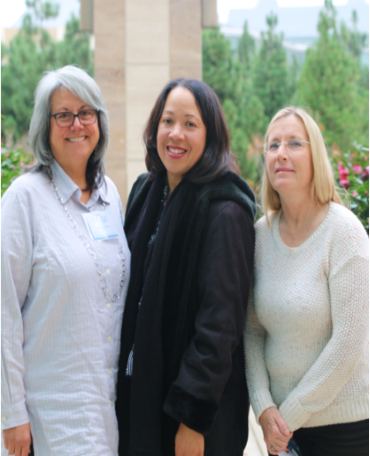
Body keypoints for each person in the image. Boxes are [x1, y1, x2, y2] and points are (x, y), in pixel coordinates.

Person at [115, 78, 256, 456]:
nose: (176, 134)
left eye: (190, 124)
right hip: (143, 393)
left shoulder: (225, 211)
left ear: (210, 135)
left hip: (194, 415)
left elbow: (219, 327)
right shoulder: (147, 192)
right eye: (168, 121)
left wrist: (191, 419)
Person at [1, 65, 131, 456]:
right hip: (50, 420)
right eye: (63, 114)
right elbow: (3, 312)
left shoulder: (110, 195)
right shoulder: (24, 199)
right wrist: (11, 414)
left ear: (99, 122)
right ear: (46, 125)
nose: (77, 124)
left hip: (108, 412)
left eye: (86, 112)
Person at [244, 106, 369, 456]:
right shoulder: (260, 237)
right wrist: (263, 406)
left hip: (343, 430)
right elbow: (252, 330)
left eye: (294, 143)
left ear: (316, 156)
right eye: (273, 145)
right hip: (281, 431)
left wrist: (287, 417)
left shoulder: (344, 233)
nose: (281, 153)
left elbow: (348, 344)